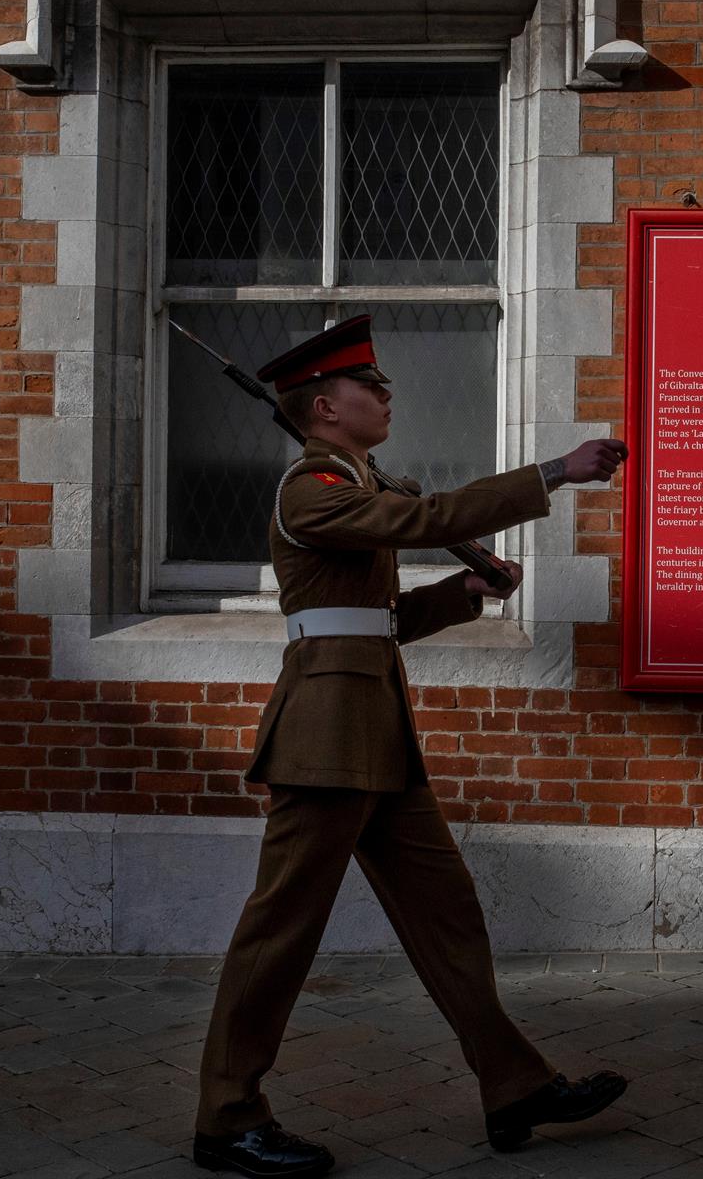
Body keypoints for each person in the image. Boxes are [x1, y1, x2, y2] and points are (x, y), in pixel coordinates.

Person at [192, 314, 631, 1178]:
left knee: (448, 915)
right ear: (325, 406)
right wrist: (553, 473)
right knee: (280, 931)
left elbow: (378, 622)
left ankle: (514, 1084)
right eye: (372, 386)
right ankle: (226, 1117)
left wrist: (463, 592)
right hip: (323, 742)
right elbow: (426, 516)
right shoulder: (310, 488)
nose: (388, 396)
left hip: (378, 738)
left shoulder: (349, 482)